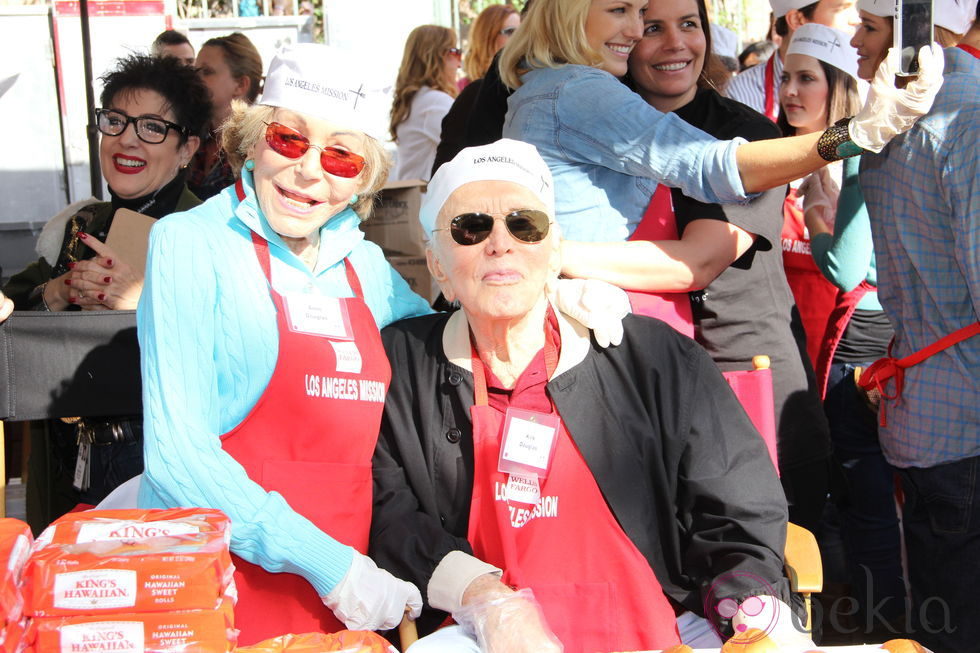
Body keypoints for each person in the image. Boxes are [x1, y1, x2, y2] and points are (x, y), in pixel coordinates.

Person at [370, 139, 808, 653]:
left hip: (664, 626)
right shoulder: (402, 364)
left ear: (554, 249)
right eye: (471, 229)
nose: (500, 244)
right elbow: (386, 512)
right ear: (437, 264)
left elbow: (739, 505)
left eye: (523, 224)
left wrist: (742, 603)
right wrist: (483, 596)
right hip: (485, 630)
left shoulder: (649, 357)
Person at [136, 43, 428, 645]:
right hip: (223, 590)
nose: (310, 171)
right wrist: (329, 566)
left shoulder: (368, 267)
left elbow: (445, 358)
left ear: (365, 177)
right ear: (252, 138)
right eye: (290, 140)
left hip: (349, 594)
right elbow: (177, 455)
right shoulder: (189, 243)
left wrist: (556, 308)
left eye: (342, 157)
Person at [568, 0, 830, 532]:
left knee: (764, 578)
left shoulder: (747, 135)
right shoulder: (596, 124)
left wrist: (549, 256)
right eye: (652, 27)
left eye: (689, 25)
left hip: (743, 372)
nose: (675, 44)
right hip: (638, 382)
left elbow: (698, 262)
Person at [497, 0, 941, 250]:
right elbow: (711, 165)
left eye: (638, 13)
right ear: (567, 12)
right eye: (621, 10)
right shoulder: (577, 89)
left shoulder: (546, 86)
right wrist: (857, 133)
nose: (633, 30)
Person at [1, 54, 209, 524]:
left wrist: (145, 301)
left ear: (186, 148)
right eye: (115, 120)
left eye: (152, 126)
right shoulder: (78, 226)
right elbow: (14, 310)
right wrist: (58, 291)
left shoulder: (210, 233)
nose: (127, 138)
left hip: (161, 475)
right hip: (67, 468)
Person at [851, 1, 979, 649]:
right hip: (951, 417)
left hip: (941, 414)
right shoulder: (939, 111)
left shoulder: (941, 113)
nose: (855, 39)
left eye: (869, 27)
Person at [777, 23, 862, 368]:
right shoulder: (766, 158)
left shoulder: (859, 167)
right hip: (776, 337)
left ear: (838, 85)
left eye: (806, 79)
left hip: (835, 343)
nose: (790, 91)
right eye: (785, 78)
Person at [725, 0, 859, 120]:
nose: (856, 20)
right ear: (797, 20)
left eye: (806, 78)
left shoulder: (864, 86)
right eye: (842, 8)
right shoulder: (739, 93)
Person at [188, 32, 263, 200]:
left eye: (206, 72)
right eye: (195, 71)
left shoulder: (259, 147)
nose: (194, 79)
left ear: (240, 85)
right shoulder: (195, 135)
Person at [390, 25, 461, 182]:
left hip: (415, 200)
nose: (459, 64)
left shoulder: (416, 99)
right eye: (455, 53)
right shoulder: (435, 102)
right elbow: (468, 152)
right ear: (436, 57)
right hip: (429, 201)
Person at [460, 4, 520, 88]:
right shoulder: (463, 88)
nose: (518, 39)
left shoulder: (526, 82)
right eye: (510, 32)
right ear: (487, 37)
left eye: (521, 33)